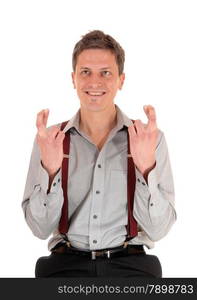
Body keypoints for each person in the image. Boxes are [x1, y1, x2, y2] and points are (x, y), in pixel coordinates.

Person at [22, 30, 176, 278]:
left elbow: (158, 230)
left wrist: (146, 169)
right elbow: (40, 229)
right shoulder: (50, 140)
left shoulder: (149, 138)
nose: (95, 83)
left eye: (106, 73)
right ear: (74, 79)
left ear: (121, 80)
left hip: (131, 265)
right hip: (66, 265)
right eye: (86, 72)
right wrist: (51, 173)